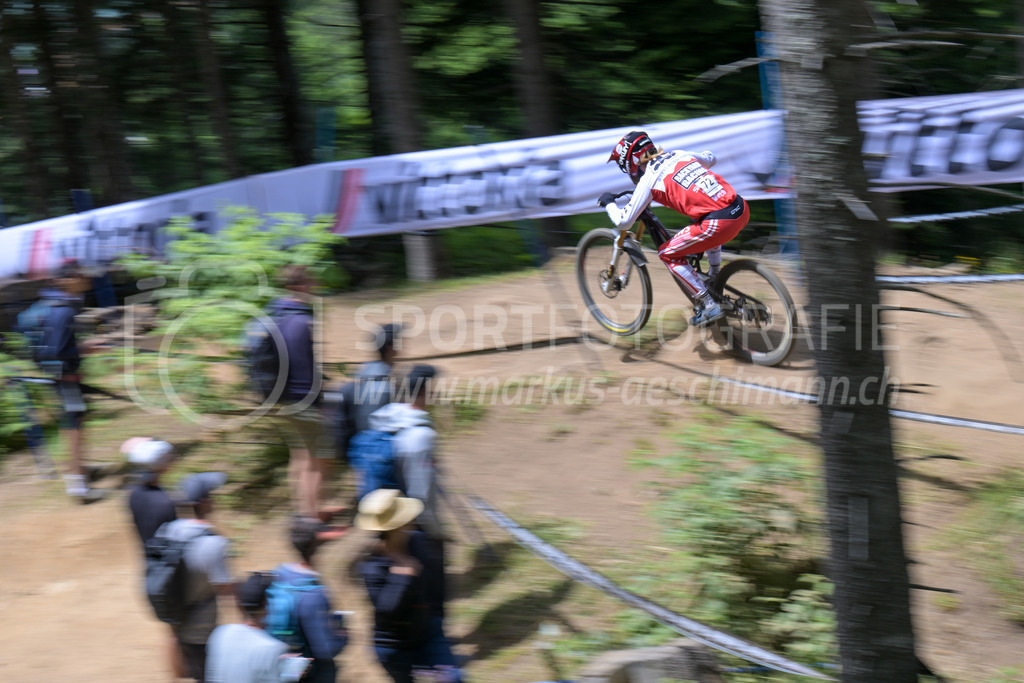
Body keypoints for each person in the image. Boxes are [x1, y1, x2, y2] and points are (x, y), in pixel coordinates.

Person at [601, 130, 750, 327]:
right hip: (740, 208)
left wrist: (609, 203)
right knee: (702, 219)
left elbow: (624, 222)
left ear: (633, 162)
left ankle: (708, 304)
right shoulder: (680, 154)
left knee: (667, 253)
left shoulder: (649, 179)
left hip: (718, 223)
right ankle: (715, 276)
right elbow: (710, 158)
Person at [357, 489, 463, 683]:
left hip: (430, 633)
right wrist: (401, 578)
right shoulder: (372, 565)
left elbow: (436, 583)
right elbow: (386, 610)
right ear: (397, 525)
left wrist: (437, 618)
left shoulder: (419, 542)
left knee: (453, 679)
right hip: (394, 646)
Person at [268, 264, 334, 521]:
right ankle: (312, 518)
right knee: (318, 460)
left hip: (281, 398)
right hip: (303, 398)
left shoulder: (276, 316)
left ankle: (305, 511)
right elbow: (306, 367)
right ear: (299, 287)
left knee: (299, 456)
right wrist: (320, 404)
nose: (313, 288)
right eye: (310, 283)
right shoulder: (302, 321)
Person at [35, 260, 105, 500]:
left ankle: (79, 470)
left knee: (75, 421)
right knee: (74, 425)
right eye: (81, 274)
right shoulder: (63, 310)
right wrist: (85, 348)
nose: (86, 278)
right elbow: (56, 351)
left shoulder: (57, 305)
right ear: (67, 279)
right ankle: (78, 485)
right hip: (66, 377)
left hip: (63, 376)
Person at [160, 472, 235, 682]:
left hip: (175, 617)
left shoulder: (169, 531)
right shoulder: (215, 544)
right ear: (204, 502)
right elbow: (226, 589)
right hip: (202, 629)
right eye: (211, 495)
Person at [268, 517, 349, 683]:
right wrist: (343, 633)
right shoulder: (315, 593)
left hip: (281, 661)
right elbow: (326, 650)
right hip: (310, 671)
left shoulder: (279, 574)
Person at [205, 572, 291, 683]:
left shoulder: (220, 633)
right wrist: (292, 672)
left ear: (240, 605)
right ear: (266, 605)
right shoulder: (273, 648)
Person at [334, 323, 401, 461]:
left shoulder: (364, 379)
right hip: (380, 459)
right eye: (398, 345)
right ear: (390, 348)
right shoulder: (384, 387)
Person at [125, 438, 178, 547]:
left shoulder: (134, 493)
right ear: (163, 467)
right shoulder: (164, 503)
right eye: (168, 458)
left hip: (149, 557)